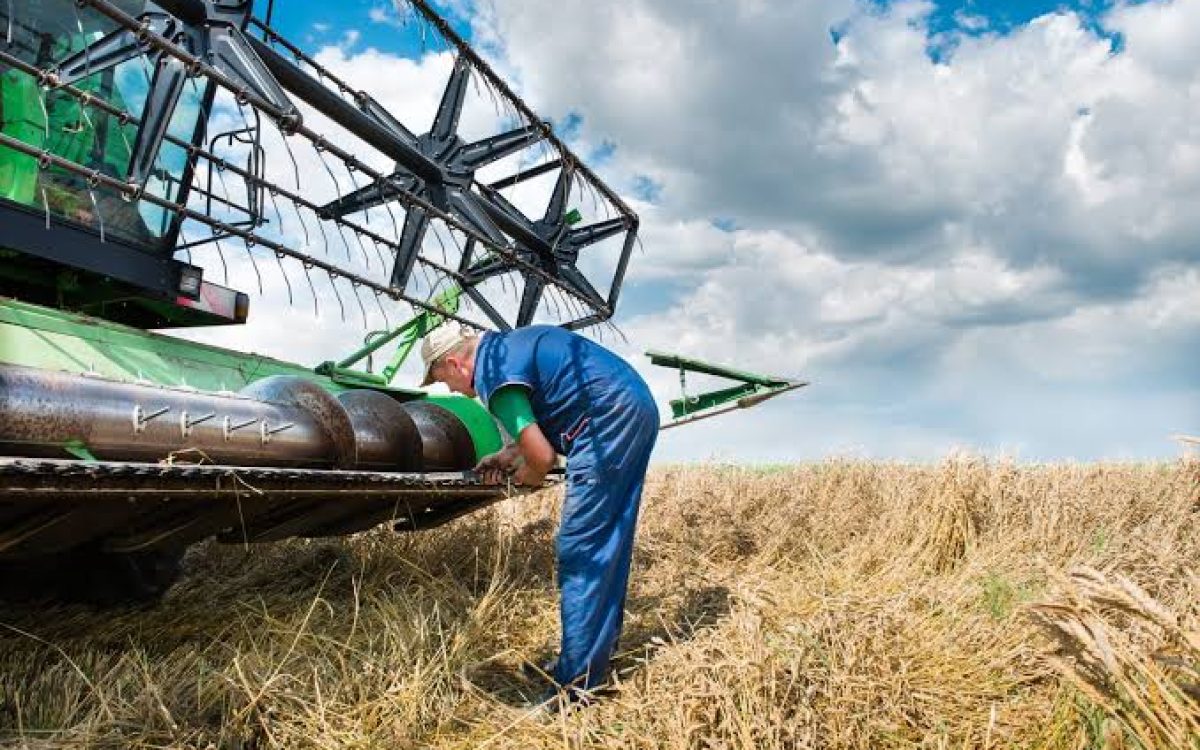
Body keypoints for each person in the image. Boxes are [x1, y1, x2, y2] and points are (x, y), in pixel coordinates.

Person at [419, 323, 659, 699]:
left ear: (455, 363)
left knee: (582, 549)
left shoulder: (493, 376)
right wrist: (508, 455)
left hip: (607, 419)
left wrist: (526, 479)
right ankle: (590, 660)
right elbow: (540, 426)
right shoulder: (508, 351)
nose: (449, 390)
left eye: (443, 379)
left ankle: (576, 688)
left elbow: (542, 457)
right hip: (629, 404)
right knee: (605, 543)